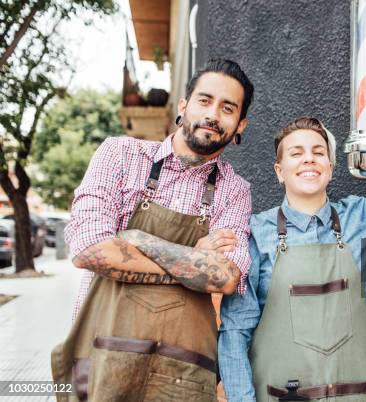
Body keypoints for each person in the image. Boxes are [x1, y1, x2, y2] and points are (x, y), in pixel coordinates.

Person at [51, 59, 254, 402]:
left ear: (240, 125)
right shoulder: (121, 154)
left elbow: (225, 277)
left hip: (181, 375)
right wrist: (194, 259)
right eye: (204, 101)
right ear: (184, 105)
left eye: (228, 107)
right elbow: (89, 248)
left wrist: (134, 239)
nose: (213, 114)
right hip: (101, 359)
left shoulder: (235, 190)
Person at [218, 117, 366, 401]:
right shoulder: (256, 233)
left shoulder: (360, 217)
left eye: (319, 152)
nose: (309, 159)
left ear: (330, 169)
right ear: (279, 172)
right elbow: (235, 333)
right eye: (297, 153)